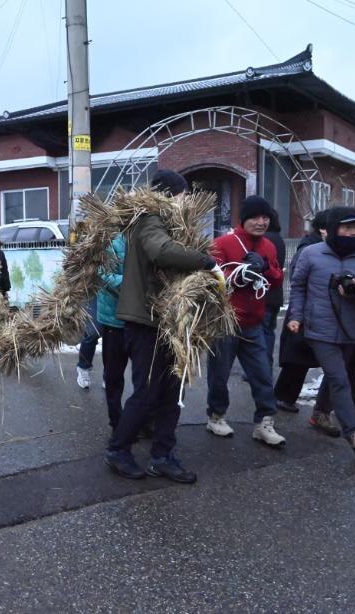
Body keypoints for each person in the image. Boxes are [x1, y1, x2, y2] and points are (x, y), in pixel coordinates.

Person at [104, 169, 223, 484]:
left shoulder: (165, 222)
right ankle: (118, 449)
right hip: (146, 321)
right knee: (147, 392)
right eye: (182, 194)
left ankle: (162, 455)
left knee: (172, 390)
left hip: (165, 321)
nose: (185, 201)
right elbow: (160, 250)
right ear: (169, 194)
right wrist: (205, 261)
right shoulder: (149, 220)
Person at [287, 207, 355, 457]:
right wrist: (296, 316)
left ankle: (320, 414)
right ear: (332, 229)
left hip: (351, 329)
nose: (352, 233)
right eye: (346, 228)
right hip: (318, 328)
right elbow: (298, 287)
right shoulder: (310, 254)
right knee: (340, 378)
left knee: (336, 375)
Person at [205, 196, 286, 447]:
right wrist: (237, 274)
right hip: (225, 322)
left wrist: (264, 268)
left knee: (262, 374)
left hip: (255, 323)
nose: (261, 222)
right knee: (219, 374)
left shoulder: (269, 246)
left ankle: (264, 422)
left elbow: (277, 279)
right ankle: (216, 416)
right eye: (255, 217)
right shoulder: (222, 243)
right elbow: (207, 278)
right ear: (244, 220)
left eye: (265, 218)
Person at [274, 210, 329, 413]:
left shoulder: (318, 244)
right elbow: (298, 278)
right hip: (306, 310)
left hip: (314, 310)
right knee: (298, 358)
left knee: (301, 358)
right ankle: (282, 397)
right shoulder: (310, 248)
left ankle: (284, 396)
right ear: (325, 228)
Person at [97, 233, 128, 431]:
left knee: (145, 377)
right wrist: (136, 285)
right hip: (114, 320)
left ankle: (142, 420)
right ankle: (116, 420)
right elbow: (104, 275)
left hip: (142, 321)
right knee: (114, 376)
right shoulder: (112, 244)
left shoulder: (150, 239)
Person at [262, 209, 286, 369]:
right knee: (268, 332)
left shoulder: (265, 240)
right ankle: (265, 367)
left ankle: (263, 368)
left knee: (263, 335)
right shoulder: (279, 238)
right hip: (276, 294)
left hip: (265, 294)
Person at [75, 299, 101, 388]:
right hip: (95, 293)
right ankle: (83, 367)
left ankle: (109, 375)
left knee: (112, 335)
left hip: (116, 293)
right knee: (92, 332)